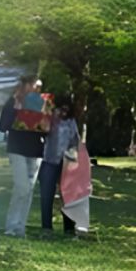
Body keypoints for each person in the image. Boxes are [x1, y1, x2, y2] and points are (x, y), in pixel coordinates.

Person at [0, 75, 46, 237]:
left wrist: (47, 121)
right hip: (17, 149)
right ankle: (11, 226)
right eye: (34, 86)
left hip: (35, 150)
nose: (36, 89)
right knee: (22, 187)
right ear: (25, 86)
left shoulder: (41, 103)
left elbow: (47, 128)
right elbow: (2, 127)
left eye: (39, 87)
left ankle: (20, 227)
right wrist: (16, 108)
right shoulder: (13, 102)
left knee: (28, 190)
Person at [38, 94, 81, 235]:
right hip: (50, 160)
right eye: (61, 108)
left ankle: (69, 228)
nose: (63, 112)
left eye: (66, 109)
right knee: (47, 195)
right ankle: (46, 227)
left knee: (68, 196)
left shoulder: (71, 121)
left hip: (67, 162)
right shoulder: (51, 118)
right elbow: (43, 130)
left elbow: (76, 140)